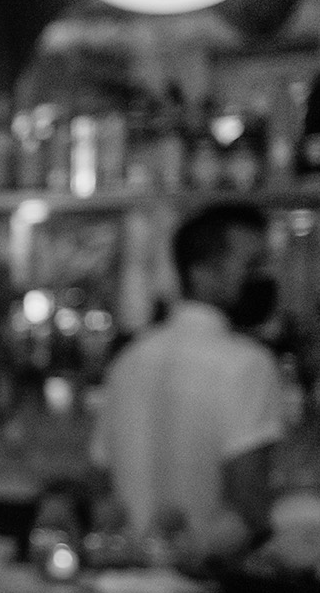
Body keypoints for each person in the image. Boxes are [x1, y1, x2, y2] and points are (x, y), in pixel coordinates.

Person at [91, 201, 283, 543]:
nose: (265, 279)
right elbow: (249, 506)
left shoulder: (128, 360)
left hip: (123, 574)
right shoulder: (249, 364)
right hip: (205, 580)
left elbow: (102, 487)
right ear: (201, 273)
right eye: (252, 266)